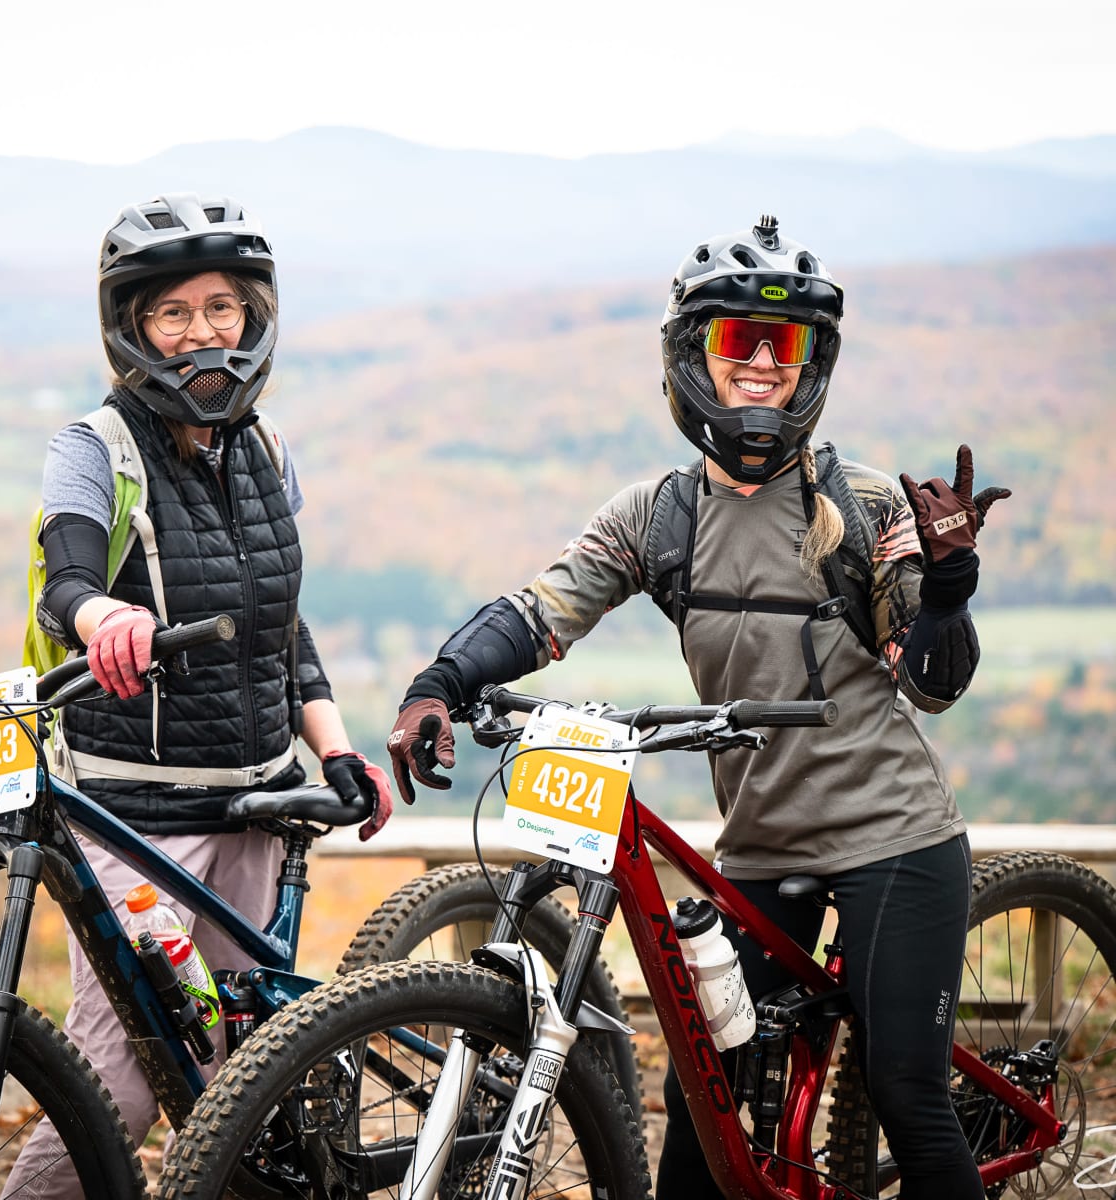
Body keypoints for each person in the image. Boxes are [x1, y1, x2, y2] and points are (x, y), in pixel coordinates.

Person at [387, 215, 1010, 1200]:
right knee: (701, 1109)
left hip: (893, 838)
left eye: (785, 345)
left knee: (908, 1098)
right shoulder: (660, 516)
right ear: (695, 354)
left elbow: (933, 685)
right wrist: (438, 685)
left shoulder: (866, 505)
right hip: (761, 848)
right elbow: (543, 610)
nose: (761, 365)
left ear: (811, 364)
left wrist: (947, 590)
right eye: (738, 339)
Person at [4, 192, 393, 1198]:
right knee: (120, 1082)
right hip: (137, 822)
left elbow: (280, 625)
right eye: (172, 313)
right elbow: (67, 580)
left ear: (252, 316)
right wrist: (106, 618)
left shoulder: (267, 450)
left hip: (254, 807)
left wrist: (335, 747)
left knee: (238, 1081)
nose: (201, 332)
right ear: (132, 328)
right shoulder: (96, 447)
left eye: (221, 307)